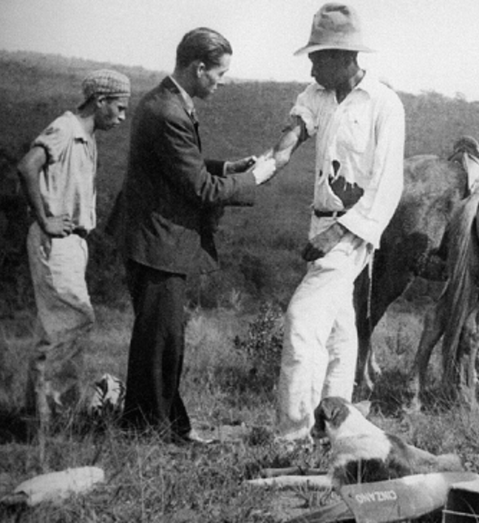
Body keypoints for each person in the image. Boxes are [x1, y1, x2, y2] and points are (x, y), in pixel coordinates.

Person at [117, 27, 276, 444]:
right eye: (218, 74)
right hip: (158, 241)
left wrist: (226, 167)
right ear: (198, 67)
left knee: (159, 340)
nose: (221, 82)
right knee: (161, 342)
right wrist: (254, 180)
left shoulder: (166, 102)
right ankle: (153, 431)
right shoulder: (168, 111)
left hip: (155, 239)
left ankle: (151, 423)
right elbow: (199, 189)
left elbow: (183, 164)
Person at [255, 3, 405, 442]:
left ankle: (293, 433)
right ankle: (335, 424)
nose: (312, 65)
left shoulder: (384, 104)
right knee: (340, 326)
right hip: (319, 225)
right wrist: (261, 169)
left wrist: (338, 234)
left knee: (302, 320)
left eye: (319, 57)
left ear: (345, 57)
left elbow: (386, 185)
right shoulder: (317, 94)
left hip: (352, 229)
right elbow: (293, 133)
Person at [18, 69, 131, 427]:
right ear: (100, 101)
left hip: (73, 241)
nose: (122, 116)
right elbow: (27, 166)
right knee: (73, 320)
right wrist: (46, 219)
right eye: (119, 107)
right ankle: (52, 417)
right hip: (57, 238)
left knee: (58, 327)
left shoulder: (86, 136)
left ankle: (38, 415)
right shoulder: (66, 129)